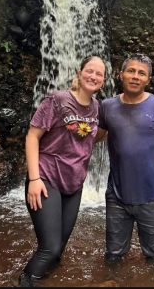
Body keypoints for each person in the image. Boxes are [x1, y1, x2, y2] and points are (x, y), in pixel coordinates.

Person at [16, 56, 106, 287]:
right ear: (80, 72)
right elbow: (32, 137)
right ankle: (23, 282)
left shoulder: (96, 107)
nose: (93, 76)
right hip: (46, 178)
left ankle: (46, 281)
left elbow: (89, 137)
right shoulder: (57, 100)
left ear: (103, 81)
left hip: (74, 183)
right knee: (50, 248)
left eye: (99, 74)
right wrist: (34, 178)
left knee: (58, 250)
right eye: (90, 71)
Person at [95, 53, 154, 262]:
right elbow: (93, 137)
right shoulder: (106, 106)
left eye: (141, 73)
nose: (135, 76)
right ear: (121, 74)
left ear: (148, 80)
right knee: (113, 255)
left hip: (151, 194)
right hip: (117, 194)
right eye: (131, 71)